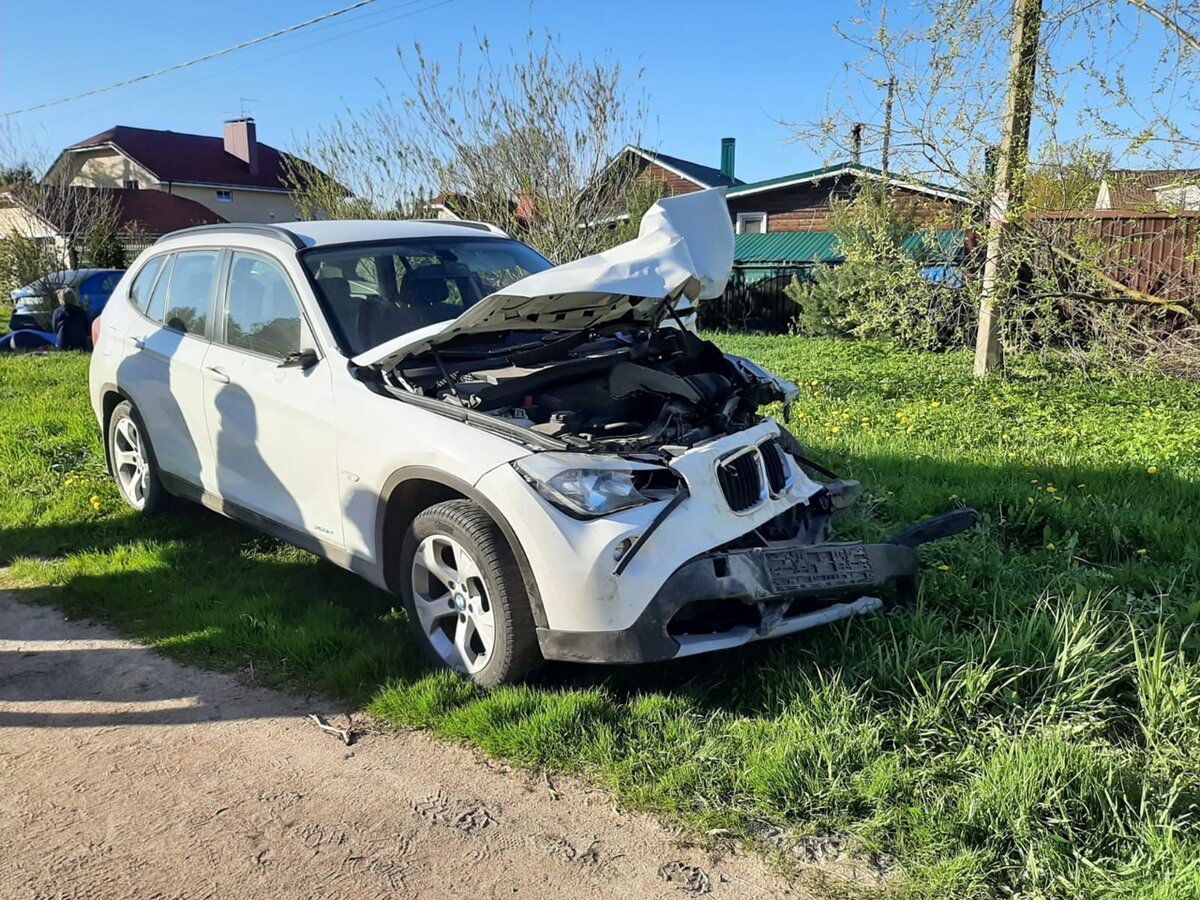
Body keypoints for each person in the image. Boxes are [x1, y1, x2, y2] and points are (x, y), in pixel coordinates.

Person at [51, 287, 90, 351]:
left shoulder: (57, 312)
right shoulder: (81, 312)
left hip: (63, 345)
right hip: (81, 345)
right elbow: (87, 329)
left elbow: (55, 329)